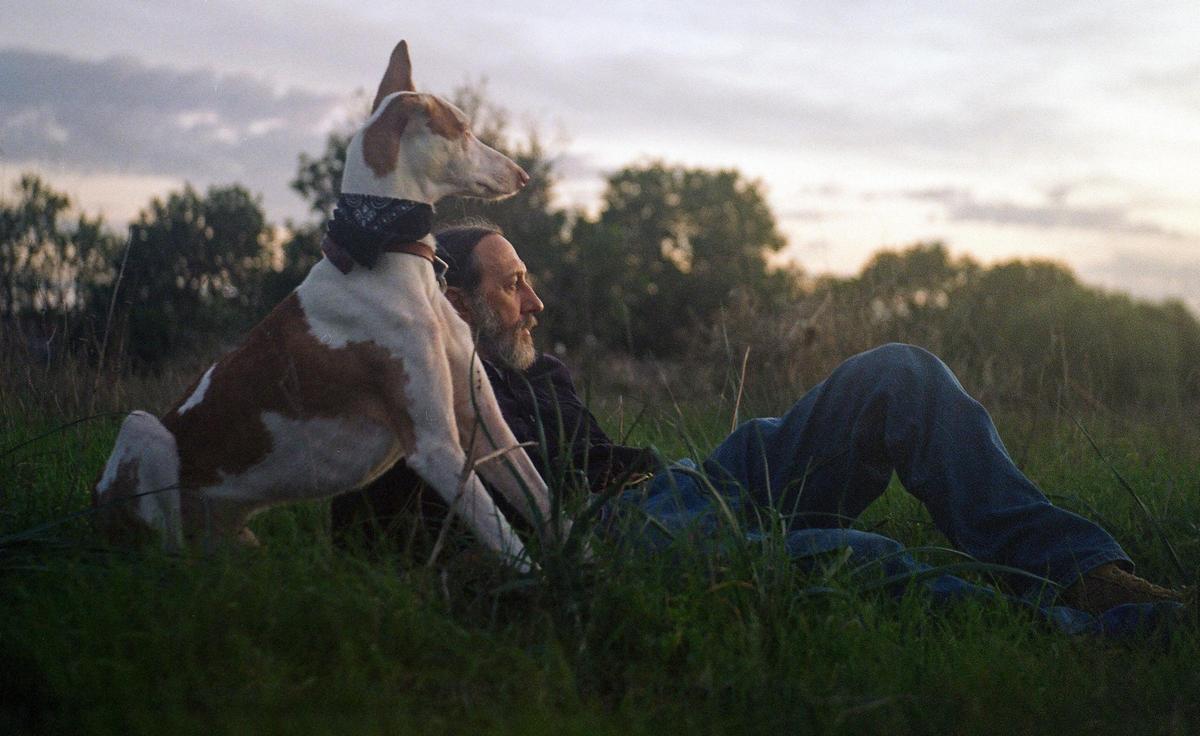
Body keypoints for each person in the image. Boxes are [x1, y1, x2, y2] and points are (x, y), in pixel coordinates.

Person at [331, 222, 1183, 627]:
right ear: (448, 298)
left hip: (688, 484)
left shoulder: (536, 370)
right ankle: (1094, 636)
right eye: (512, 282)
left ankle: (1091, 573)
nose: (536, 301)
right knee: (859, 561)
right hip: (610, 541)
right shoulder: (411, 397)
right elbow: (375, 532)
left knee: (901, 373)